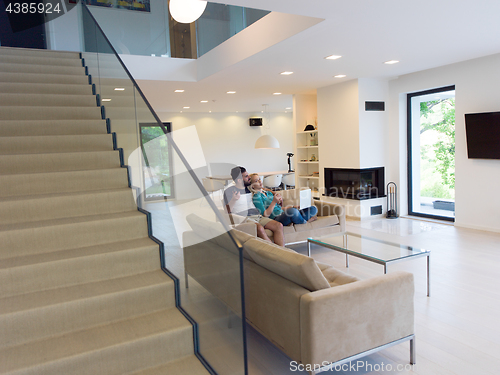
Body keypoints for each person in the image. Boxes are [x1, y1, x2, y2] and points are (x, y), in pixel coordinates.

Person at [223, 166, 284, 247]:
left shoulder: (248, 187)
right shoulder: (229, 191)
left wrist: (274, 193)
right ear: (239, 180)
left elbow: (262, 188)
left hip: (258, 216)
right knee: (259, 228)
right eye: (246, 176)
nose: (249, 177)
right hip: (244, 218)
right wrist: (234, 200)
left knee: (278, 225)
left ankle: (282, 252)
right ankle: (275, 252)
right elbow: (226, 211)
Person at [248, 173, 318, 226]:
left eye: (259, 179)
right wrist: (274, 202)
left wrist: (294, 206)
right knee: (292, 212)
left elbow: (280, 208)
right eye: (256, 181)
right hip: (276, 218)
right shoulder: (257, 197)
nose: (260, 181)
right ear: (253, 186)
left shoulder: (268, 193)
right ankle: (306, 222)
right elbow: (265, 215)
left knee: (313, 208)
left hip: (283, 213)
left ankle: (297, 220)